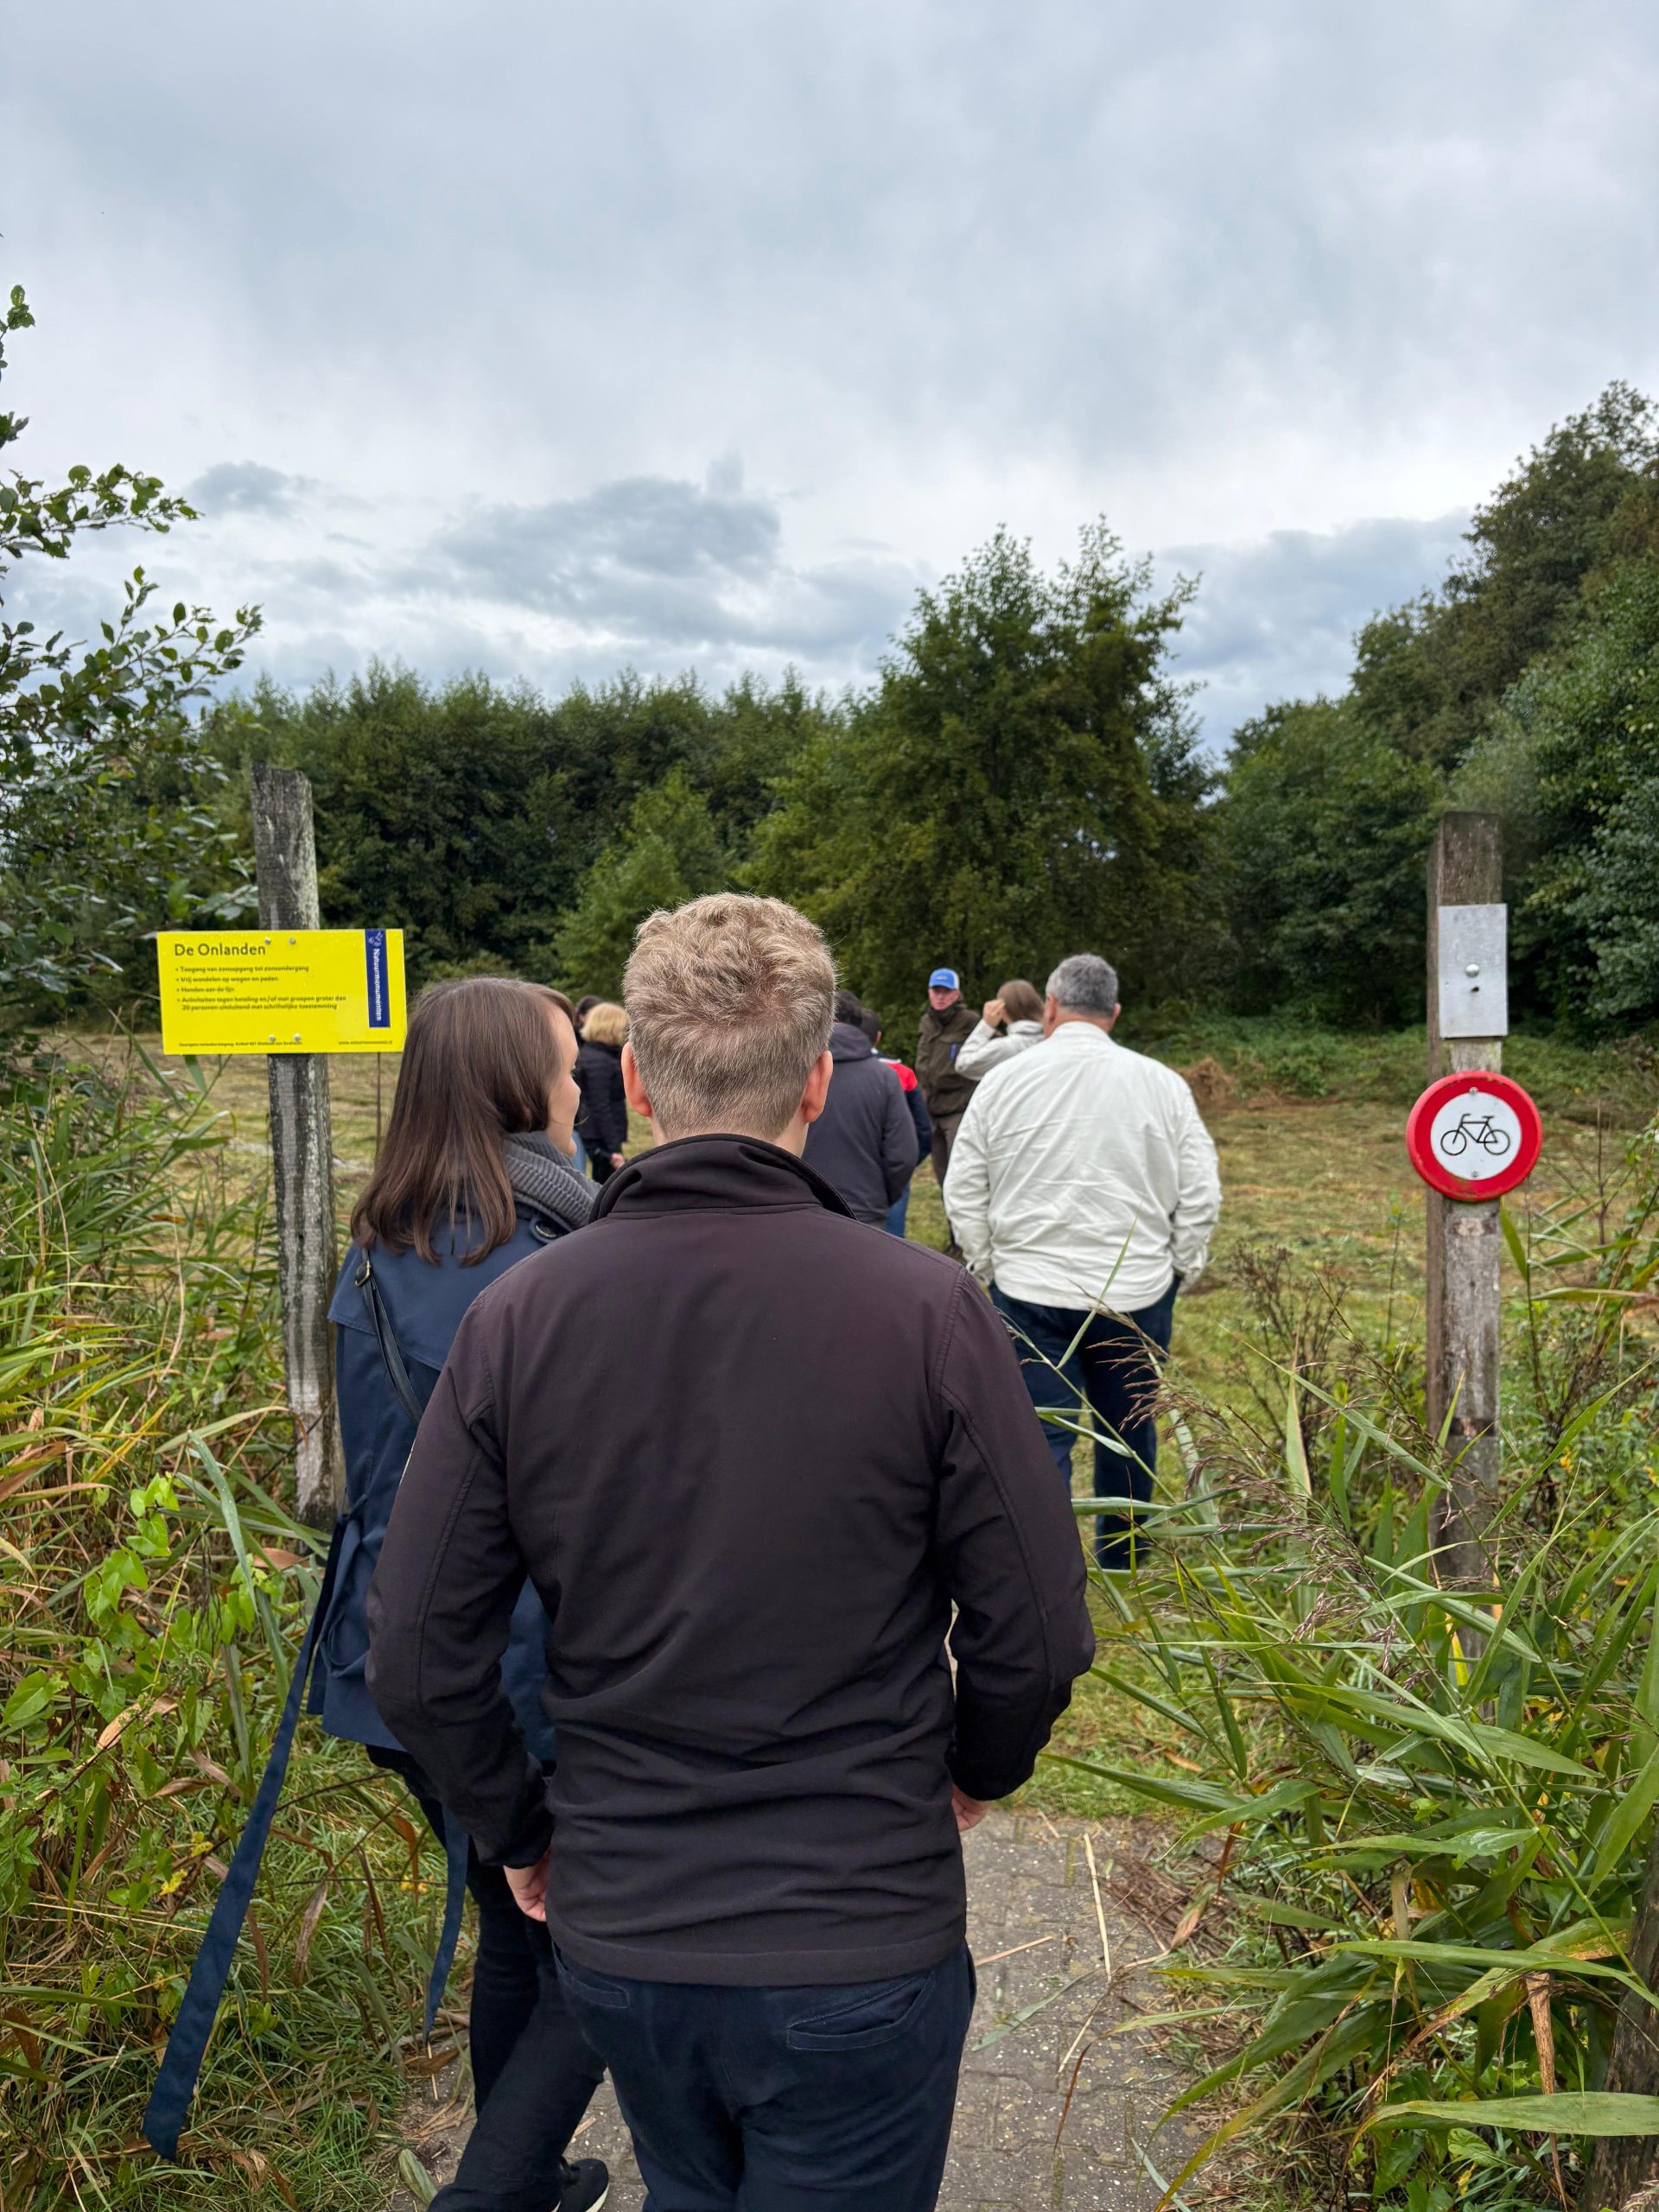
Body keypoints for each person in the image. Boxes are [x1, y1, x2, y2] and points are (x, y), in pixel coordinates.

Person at [367, 893, 1094, 2212]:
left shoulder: (520, 1317)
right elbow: (1038, 1630)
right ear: (818, 1083)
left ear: (638, 1086)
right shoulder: (928, 1310)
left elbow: (415, 1653)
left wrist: (524, 1831)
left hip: (628, 1936)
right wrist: (978, 1769)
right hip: (860, 1926)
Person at [318, 977, 608, 2212]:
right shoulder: (553, 1264)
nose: (582, 1086)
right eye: (566, 1065)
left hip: (392, 1662)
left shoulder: (374, 1252)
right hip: (518, 1672)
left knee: (515, 1922)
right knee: (594, 1952)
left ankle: (525, 2180)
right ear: (515, 1088)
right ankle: (491, 2192)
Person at [944, 953, 1221, 1572]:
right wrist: (1180, 1266)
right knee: (1130, 1430)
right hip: (1135, 1293)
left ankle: (1044, 1566)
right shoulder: (1162, 1085)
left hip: (1030, 1289)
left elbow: (963, 1185)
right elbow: (1201, 1190)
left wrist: (988, 1263)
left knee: (1039, 1432)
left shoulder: (1004, 1082)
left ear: (1049, 1007)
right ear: (1113, 1013)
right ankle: (1124, 1556)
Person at [800, 988, 918, 1227]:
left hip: (804, 1210)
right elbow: (903, 1155)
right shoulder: (885, 1077)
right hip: (865, 1213)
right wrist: (881, 1197)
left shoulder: (794, 1073)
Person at [855, 1002, 931, 1237]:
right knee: (894, 1240)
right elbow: (923, 1130)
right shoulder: (903, 1073)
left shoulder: (832, 1069)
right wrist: (908, 1162)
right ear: (878, 1037)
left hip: (853, 1171)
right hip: (895, 1168)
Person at [574, 1001, 630, 1184]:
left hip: (601, 1132)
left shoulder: (603, 1054)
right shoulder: (598, 1061)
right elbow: (600, 1106)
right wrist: (614, 1148)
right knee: (608, 1184)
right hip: (600, 1134)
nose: (624, 1031)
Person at [955, 978, 1045, 1078]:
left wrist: (986, 1025)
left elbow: (963, 1065)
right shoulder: (1051, 1039)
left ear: (1002, 1010)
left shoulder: (1004, 1047)